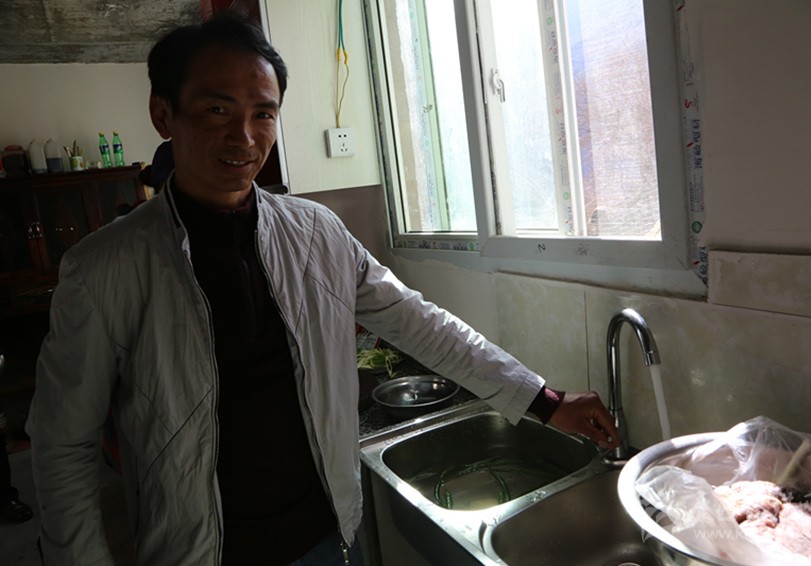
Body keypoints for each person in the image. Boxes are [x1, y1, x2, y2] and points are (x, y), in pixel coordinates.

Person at [26, 11, 618, 566]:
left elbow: (421, 324)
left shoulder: (316, 234)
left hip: (326, 538)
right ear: (164, 114)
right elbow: (62, 447)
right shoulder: (104, 269)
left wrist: (545, 400)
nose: (244, 136)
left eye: (263, 114)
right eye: (216, 109)